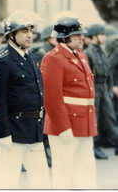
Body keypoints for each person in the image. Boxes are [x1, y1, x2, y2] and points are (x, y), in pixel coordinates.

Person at [0, 10, 50, 189]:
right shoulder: (3, 61)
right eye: (24, 31)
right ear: (11, 35)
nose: (30, 35)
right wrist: (4, 133)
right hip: (14, 130)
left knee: (42, 180)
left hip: (34, 129)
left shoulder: (30, 57)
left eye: (31, 31)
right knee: (9, 181)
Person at [41, 11, 97, 189]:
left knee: (87, 171)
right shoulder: (53, 58)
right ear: (64, 38)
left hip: (85, 123)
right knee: (63, 175)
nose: (82, 37)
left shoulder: (81, 55)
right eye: (76, 34)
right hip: (66, 125)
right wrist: (63, 127)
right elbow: (51, 97)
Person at [84, 24, 118, 159]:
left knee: (110, 116)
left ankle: (116, 141)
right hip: (94, 87)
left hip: (103, 86)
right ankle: (95, 146)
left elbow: (108, 71)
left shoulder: (102, 51)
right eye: (102, 34)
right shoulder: (88, 53)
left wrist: (111, 86)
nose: (104, 37)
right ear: (94, 36)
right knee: (95, 117)